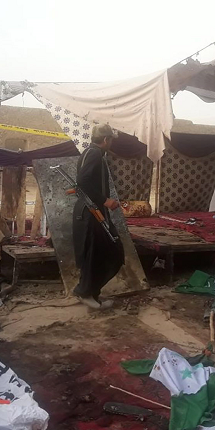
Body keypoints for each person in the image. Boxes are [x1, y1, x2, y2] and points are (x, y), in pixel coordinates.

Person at [72, 124, 124, 309]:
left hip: (93, 210)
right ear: (106, 140)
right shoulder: (94, 154)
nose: (111, 143)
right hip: (91, 212)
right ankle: (85, 292)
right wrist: (105, 200)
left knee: (102, 252)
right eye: (110, 140)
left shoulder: (90, 153)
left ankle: (92, 293)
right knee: (104, 253)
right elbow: (82, 181)